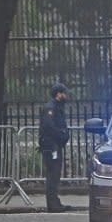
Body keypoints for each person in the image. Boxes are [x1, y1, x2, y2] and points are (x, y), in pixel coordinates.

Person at [40, 83, 71, 213]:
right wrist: (62, 135)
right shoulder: (51, 107)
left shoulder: (57, 107)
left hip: (55, 145)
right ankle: (52, 204)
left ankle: (55, 202)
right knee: (53, 174)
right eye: (64, 93)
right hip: (51, 145)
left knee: (55, 174)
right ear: (58, 94)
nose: (66, 95)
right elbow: (49, 126)